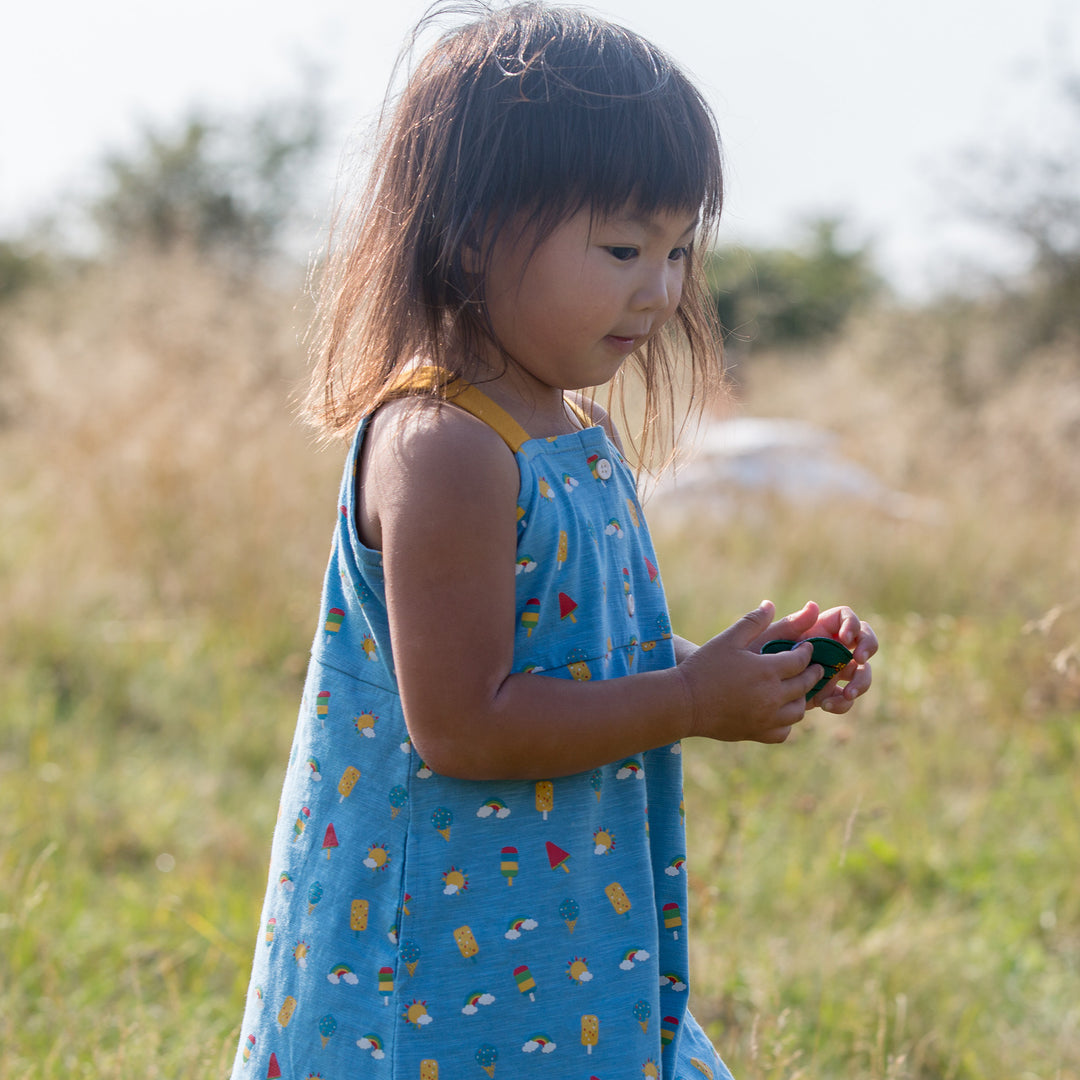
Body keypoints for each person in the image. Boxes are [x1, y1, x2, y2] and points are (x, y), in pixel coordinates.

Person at [229, 4, 877, 1078]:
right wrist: (687, 703)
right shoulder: (444, 446)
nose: (660, 289)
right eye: (623, 247)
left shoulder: (572, 432)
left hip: (564, 939)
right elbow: (465, 725)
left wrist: (740, 675)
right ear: (475, 230)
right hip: (431, 968)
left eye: (677, 250)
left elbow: (573, 664)